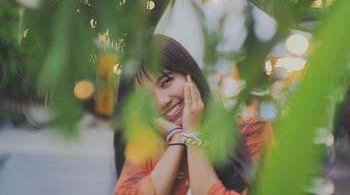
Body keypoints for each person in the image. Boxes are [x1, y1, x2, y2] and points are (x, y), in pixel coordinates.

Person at [113, 35, 272, 195]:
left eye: (166, 82)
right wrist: (176, 139)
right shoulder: (147, 147)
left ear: (189, 73)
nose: (161, 101)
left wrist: (192, 134)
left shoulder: (251, 130)